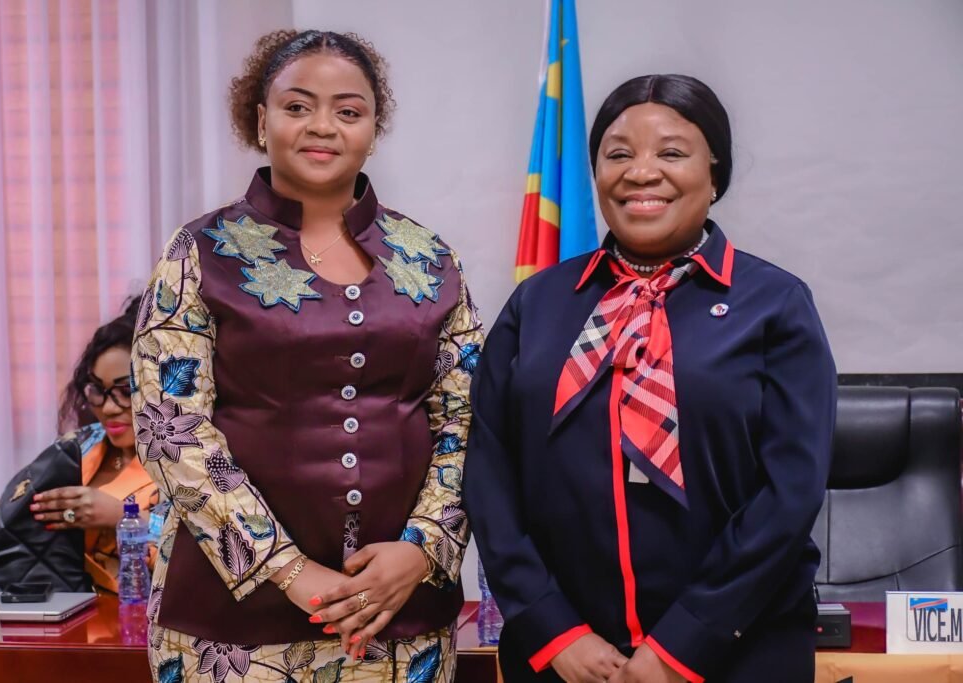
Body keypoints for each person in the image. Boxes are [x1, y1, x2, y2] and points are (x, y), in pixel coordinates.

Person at [133, 29, 481, 682]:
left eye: (348, 110)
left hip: (402, 617)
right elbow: (170, 428)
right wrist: (289, 570)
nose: (323, 126)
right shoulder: (200, 252)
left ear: (373, 129)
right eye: (297, 106)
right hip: (230, 628)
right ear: (260, 120)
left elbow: (467, 420)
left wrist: (421, 549)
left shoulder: (431, 258)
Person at [463, 74, 836, 683]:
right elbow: (489, 474)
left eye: (671, 152)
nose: (641, 173)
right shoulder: (538, 303)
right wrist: (551, 626)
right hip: (565, 658)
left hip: (737, 651)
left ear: (714, 173)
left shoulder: (775, 304)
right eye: (618, 154)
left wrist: (684, 643)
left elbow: (788, 495)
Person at [0, 297, 160, 594]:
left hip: (133, 620)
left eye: (126, 391)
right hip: (49, 615)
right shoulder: (79, 445)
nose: (108, 408)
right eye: (97, 390)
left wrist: (122, 516)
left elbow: (211, 555)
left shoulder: (188, 462)